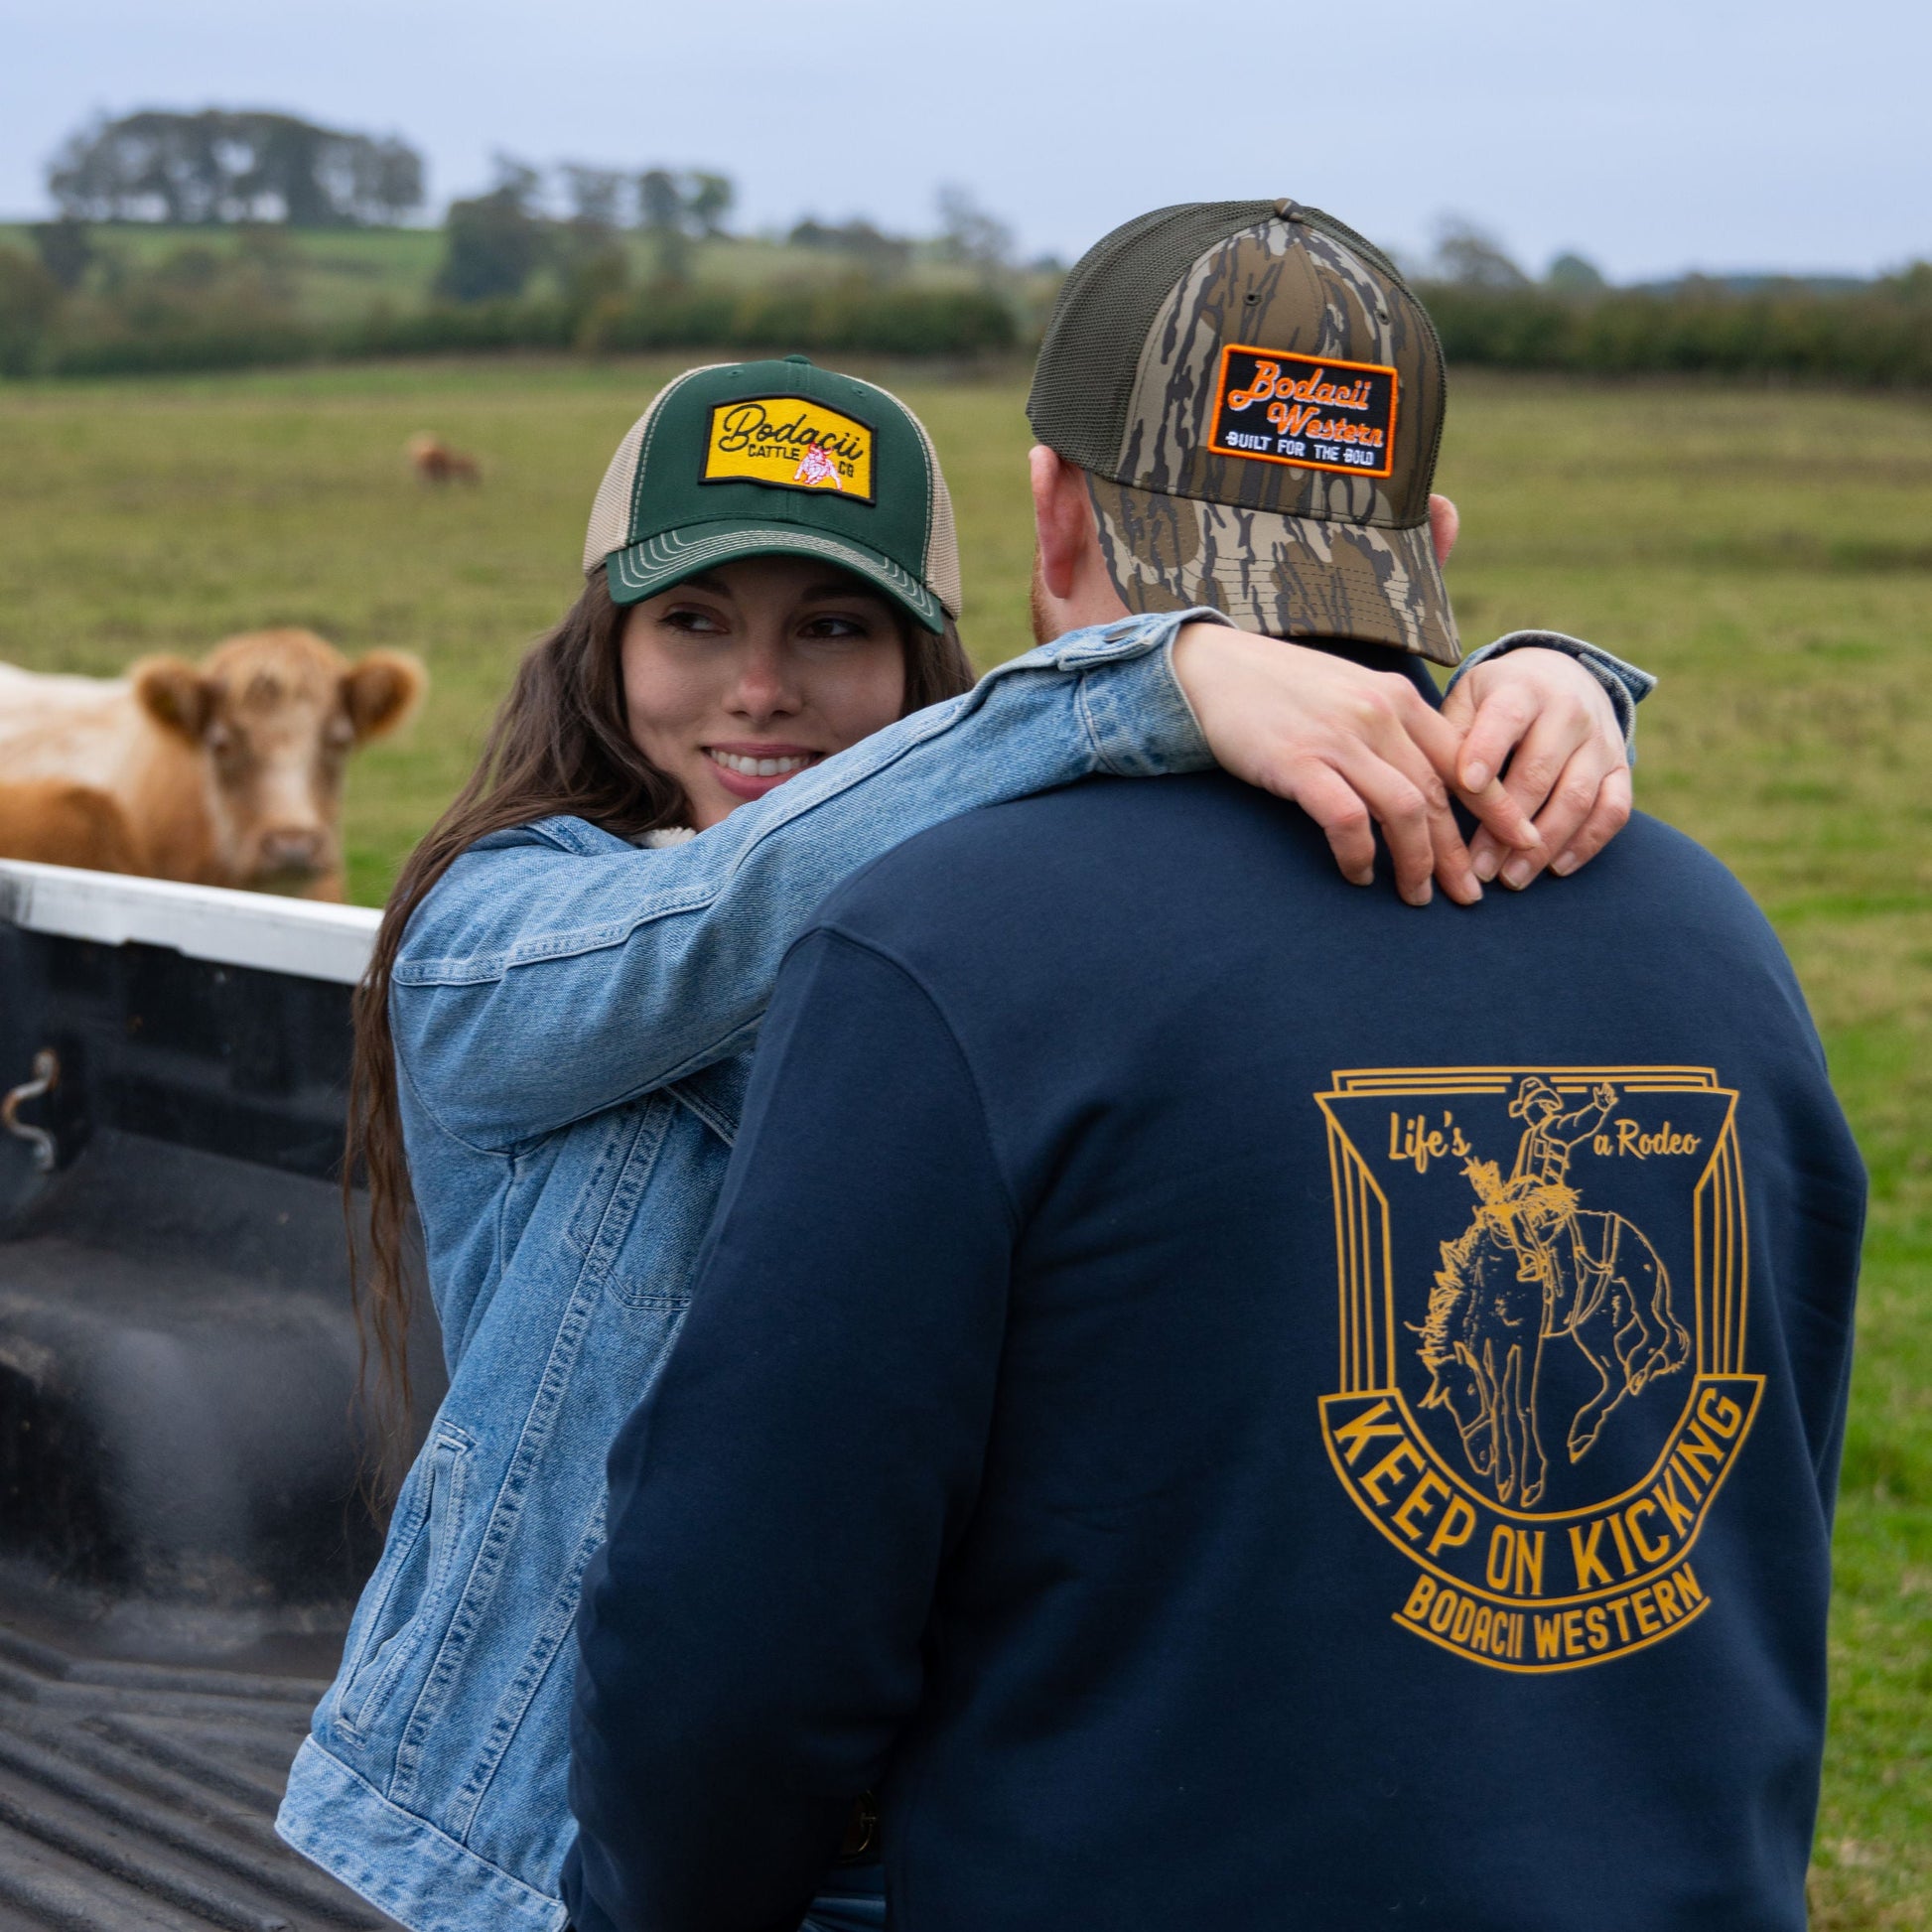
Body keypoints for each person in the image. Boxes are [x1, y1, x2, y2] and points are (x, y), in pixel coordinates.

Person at [566, 206, 1864, 1932]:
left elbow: (737, 1628)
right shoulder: (1712, 939)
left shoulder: (945, 944)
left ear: (1052, 514)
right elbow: (1749, 1527)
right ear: (1433, 543)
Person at [275, 347, 1645, 1932]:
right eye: (696, 621)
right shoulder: (498, 930)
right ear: (603, 645)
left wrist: (1534, 698)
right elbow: (724, 924)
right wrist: (1143, 682)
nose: (762, 688)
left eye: (834, 627)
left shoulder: (992, 885)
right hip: (547, 1838)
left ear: (924, 660)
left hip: (925, 1817)